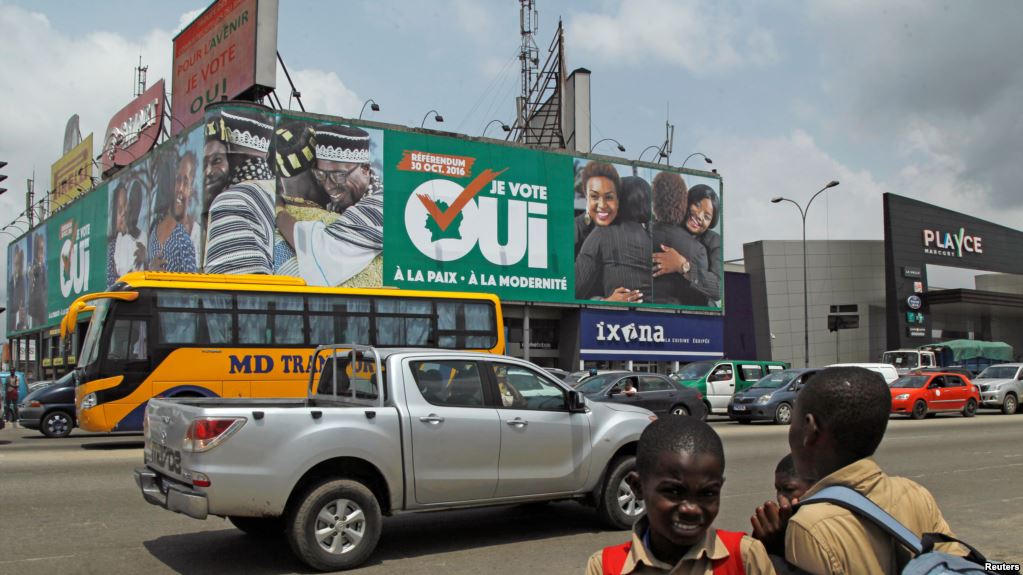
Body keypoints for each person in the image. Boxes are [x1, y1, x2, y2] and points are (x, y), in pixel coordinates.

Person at [783, 366, 965, 574]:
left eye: (793, 420)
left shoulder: (809, 525)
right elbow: (955, 561)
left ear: (809, 429)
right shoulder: (915, 493)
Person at [587, 416, 774, 574]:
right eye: (674, 492)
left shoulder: (744, 557)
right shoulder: (606, 567)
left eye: (707, 493)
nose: (690, 509)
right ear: (638, 487)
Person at [274, 123, 384, 287]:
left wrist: (279, 211)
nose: (329, 186)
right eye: (321, 175)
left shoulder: (382, 205)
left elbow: (319, 250)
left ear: (365, 169)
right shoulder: (336, 205)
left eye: (338, 176)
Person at [203, 105, 278, 275]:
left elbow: (235, 291)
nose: (208, 172)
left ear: (229, 154)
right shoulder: (278, 191)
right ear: (265, 156)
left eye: (217, 159)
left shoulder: (231, 200)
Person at [575, 174, 652, 302]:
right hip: (664, 317)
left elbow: (573, 288)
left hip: (617, 317)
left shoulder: (602, 233)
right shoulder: (656, 237)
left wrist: (601, 301)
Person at [653, 184, 722, 306]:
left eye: (706, 217)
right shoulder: (667, 227)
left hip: (698, 309)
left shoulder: (713, 241)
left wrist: (683, 266)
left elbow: (718, 288)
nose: (699, 216)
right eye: (697, 205)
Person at [149, 150, 199, 272]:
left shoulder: (183, 239)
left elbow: (191, 285)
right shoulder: (153, 234)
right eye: (177, 180)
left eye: (186, 182)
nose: (180, 188)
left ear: (191, 190)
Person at [107, 180, 147, 286]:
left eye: (126, 205)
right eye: (120, 210)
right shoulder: (115, 244)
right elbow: (111, 285)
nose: (125, 212)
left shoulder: (145, 237)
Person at [575, 161, 620, 255]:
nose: (602, 205)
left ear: (617, 199)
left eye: (608, 197)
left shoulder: (626, 229)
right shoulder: (575, 229)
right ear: (586, 197)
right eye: (594, 196)